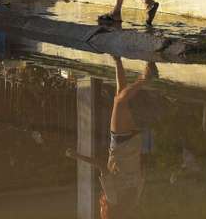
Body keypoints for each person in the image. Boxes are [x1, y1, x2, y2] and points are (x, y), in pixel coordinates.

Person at [65, 57, 158, 218]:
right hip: (120, 144)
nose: (100, 210)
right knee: (119, 101)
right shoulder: (112, 198)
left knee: (120, 93)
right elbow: (102, 166)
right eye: (102, 213)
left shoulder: (133, 199)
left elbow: (143, 170)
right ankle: (146, 77)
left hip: (134, 143)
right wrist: (77, 156)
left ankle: (117, 60)